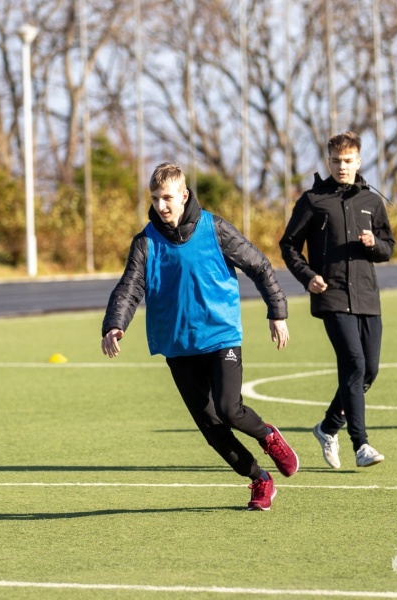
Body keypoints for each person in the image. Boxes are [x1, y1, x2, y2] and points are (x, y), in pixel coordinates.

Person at [101, 162, 298, 511]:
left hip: (221, 335)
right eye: (155, 198)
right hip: (178, 345)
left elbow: (259, 265)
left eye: (167, 197)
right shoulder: (146, 242)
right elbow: (130, 286)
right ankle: (259, 478)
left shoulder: (215, 228)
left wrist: (277, 312)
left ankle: (268, 436)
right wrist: (115, 324)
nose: (161, 205)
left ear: (184, 195)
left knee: (229, 409)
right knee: (211, 427)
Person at [279, 131, 395, 469]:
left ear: (358, 161)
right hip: (331, 296)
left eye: (347, 161)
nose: (342, 166)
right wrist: (307, 276)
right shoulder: (313, 200)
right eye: (336, 161)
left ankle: (328, 427)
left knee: (369, 370)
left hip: (367, 297)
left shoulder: (372, 201)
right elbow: (288, 245)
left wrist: (374, 244)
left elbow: (388, 248)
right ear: (328, 162)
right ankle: (361, 444)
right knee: (354, 364)